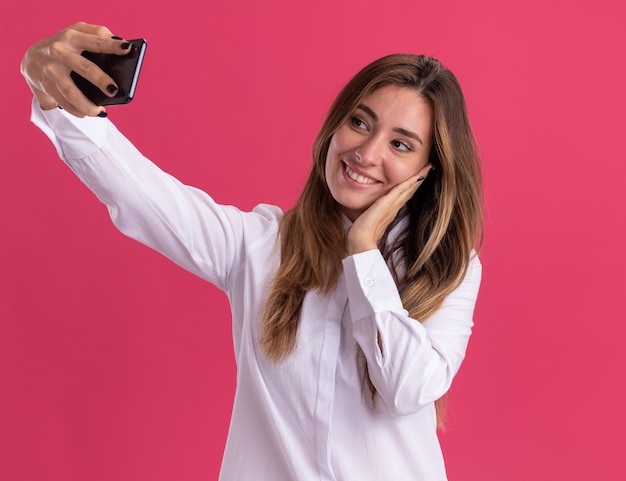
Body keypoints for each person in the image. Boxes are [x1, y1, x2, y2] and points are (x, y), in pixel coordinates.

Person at [21, 22, 483, 481]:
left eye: (400, 144)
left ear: (429, 171)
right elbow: (146, 197)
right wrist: (57, 97)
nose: (366, 152)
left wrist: (362, 252)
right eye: (359, 122)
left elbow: (406, 388)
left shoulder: (449, 270)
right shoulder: (261, 246)